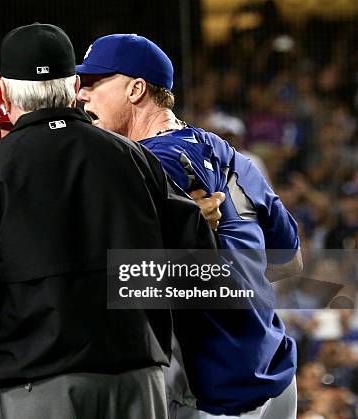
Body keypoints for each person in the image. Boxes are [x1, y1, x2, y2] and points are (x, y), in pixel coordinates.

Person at [0, 23, 216, 419]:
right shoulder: (134, 158)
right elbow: (198, 267)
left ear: (6, 92)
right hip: (135, 377)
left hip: (36, 383)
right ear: (74, 85)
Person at [76, 34, 303, 418]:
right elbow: (289, 260)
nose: (82, 95)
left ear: (136, 89)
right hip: (275, 376)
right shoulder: (234, 156)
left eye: (95, 82)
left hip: (213, 394)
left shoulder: (140, 165)